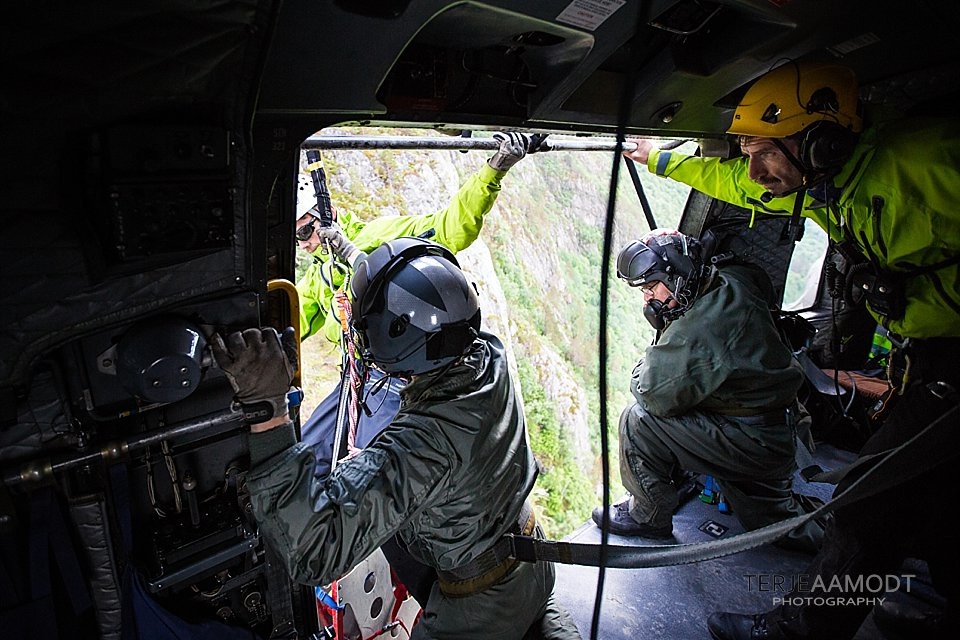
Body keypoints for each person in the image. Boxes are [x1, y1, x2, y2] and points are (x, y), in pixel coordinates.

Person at [618, 61, 960, 638]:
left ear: (821, 143)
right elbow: (729, 182)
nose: (754, 169)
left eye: (765, 152)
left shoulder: (930, 161)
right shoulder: (821, 188)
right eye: (746, 151)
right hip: (927, 360)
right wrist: (656, 157)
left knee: (867, 498)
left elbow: (654, 392)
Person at [210, 237, 582, 639]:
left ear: (396, 335)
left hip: (481, 602)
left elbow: (316, 552)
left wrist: (270, 411)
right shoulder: (487, 355)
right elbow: (429, 299)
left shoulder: (422, 442)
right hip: (531, 557)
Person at [295, 131, 543, 469]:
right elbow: (291, 322)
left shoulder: (380, 237)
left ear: (329, 214)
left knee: (362, 471)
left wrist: (494, 171)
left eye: (304, 232)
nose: (303, 244)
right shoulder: (318, 277)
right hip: (356, 378)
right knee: (306, 454)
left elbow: (449, 228)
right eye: (295, 237)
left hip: (395, 380)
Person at [592, 228, 824, 553]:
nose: (647, 299)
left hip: (754, 442)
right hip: (780, 425)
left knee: (638, 420)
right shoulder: (731, 280)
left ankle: (648, 517)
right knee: (779, 526)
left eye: (650, 287)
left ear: (678, 277)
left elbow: (651, 392)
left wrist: (643, 364)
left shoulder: (703, 327)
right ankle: (851, 528)